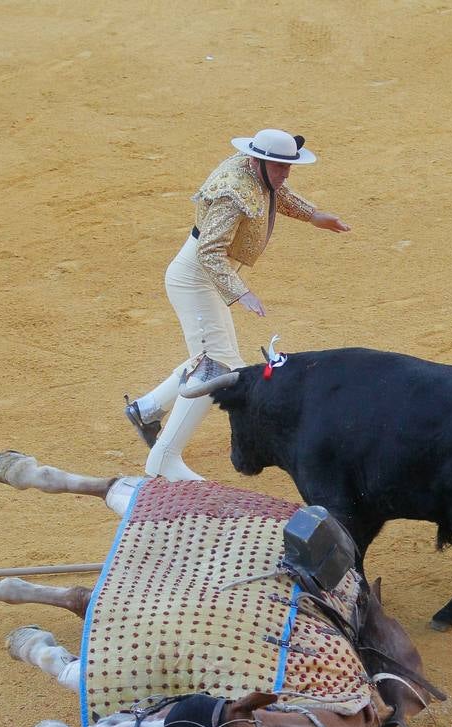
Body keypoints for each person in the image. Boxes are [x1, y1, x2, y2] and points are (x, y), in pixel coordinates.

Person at [122, 128, 350, 480]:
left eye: (288, 166)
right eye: (279, 166)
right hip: (196, 279)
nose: (285, 173)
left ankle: (147, 410)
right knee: (215, 366)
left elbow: (277, 193)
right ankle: (164, 458)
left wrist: (314, 215)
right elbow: (209, 251)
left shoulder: (256, 172)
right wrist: (241, 292)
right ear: (257, 161)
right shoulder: (233, 191)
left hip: (206, 278)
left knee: (215, 356)